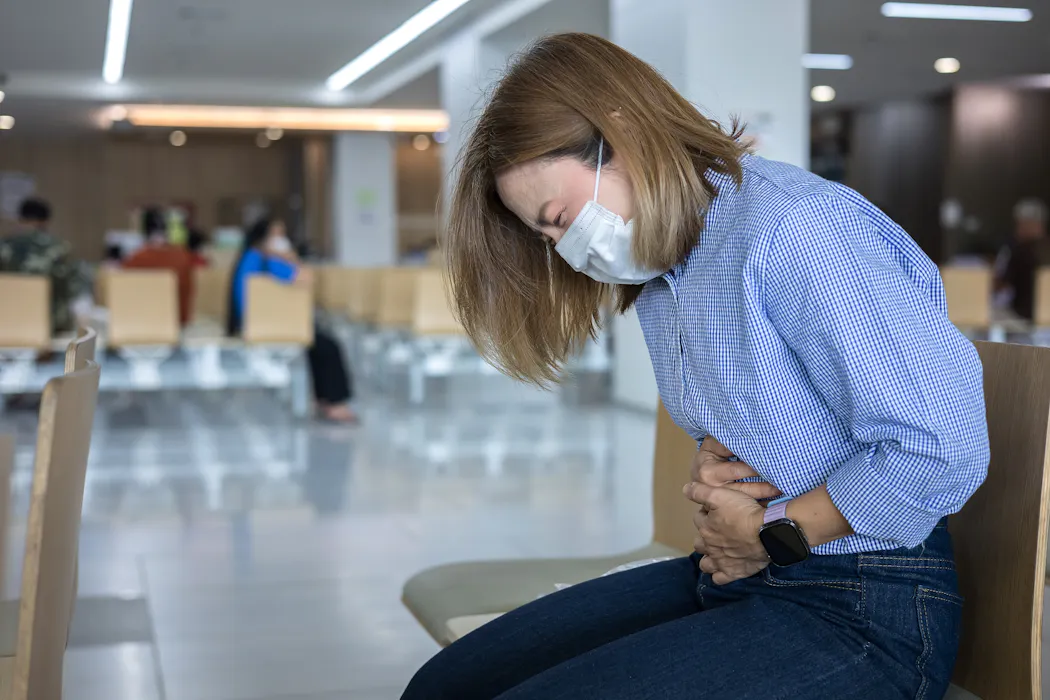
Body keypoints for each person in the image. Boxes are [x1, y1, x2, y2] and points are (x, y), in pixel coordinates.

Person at [403, 34, 989, 700]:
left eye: (560, 218)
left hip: (864, 607)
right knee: (443, 687)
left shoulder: (797, 228)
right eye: (549, 238)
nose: (567, 251)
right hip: (743, 572)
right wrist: (722, 467)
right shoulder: (670, 270)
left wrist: (776, 533)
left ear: (624, 131)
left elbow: (943, 447)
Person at [228, 218, 358, 423]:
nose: (281, 240)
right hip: (269, 325)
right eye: (276, 235)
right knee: (328, 346)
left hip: (255, 323)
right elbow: (305, 278)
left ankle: (325, 399)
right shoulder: (265, 260)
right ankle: (334, 403)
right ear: (263, 238)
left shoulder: (248, 257)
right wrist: (290, 257)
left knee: (318, 341)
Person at [0, 197, 93, 334]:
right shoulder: (61, 248)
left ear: (20, 219)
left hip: (7, 326)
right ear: (46, 221)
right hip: (52, 326)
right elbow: (79, 291)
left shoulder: (3, 247)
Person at [122, 207, 196, 326]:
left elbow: (123, 290)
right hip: (178, 321)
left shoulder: (137, 258)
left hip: (141, 321)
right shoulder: (183, 255)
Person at [994, 198, 1050, 320]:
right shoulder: (1015, 248)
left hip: (1024, 317)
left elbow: (1001, 284)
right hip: (1035, 317)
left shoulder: (1018, 250)